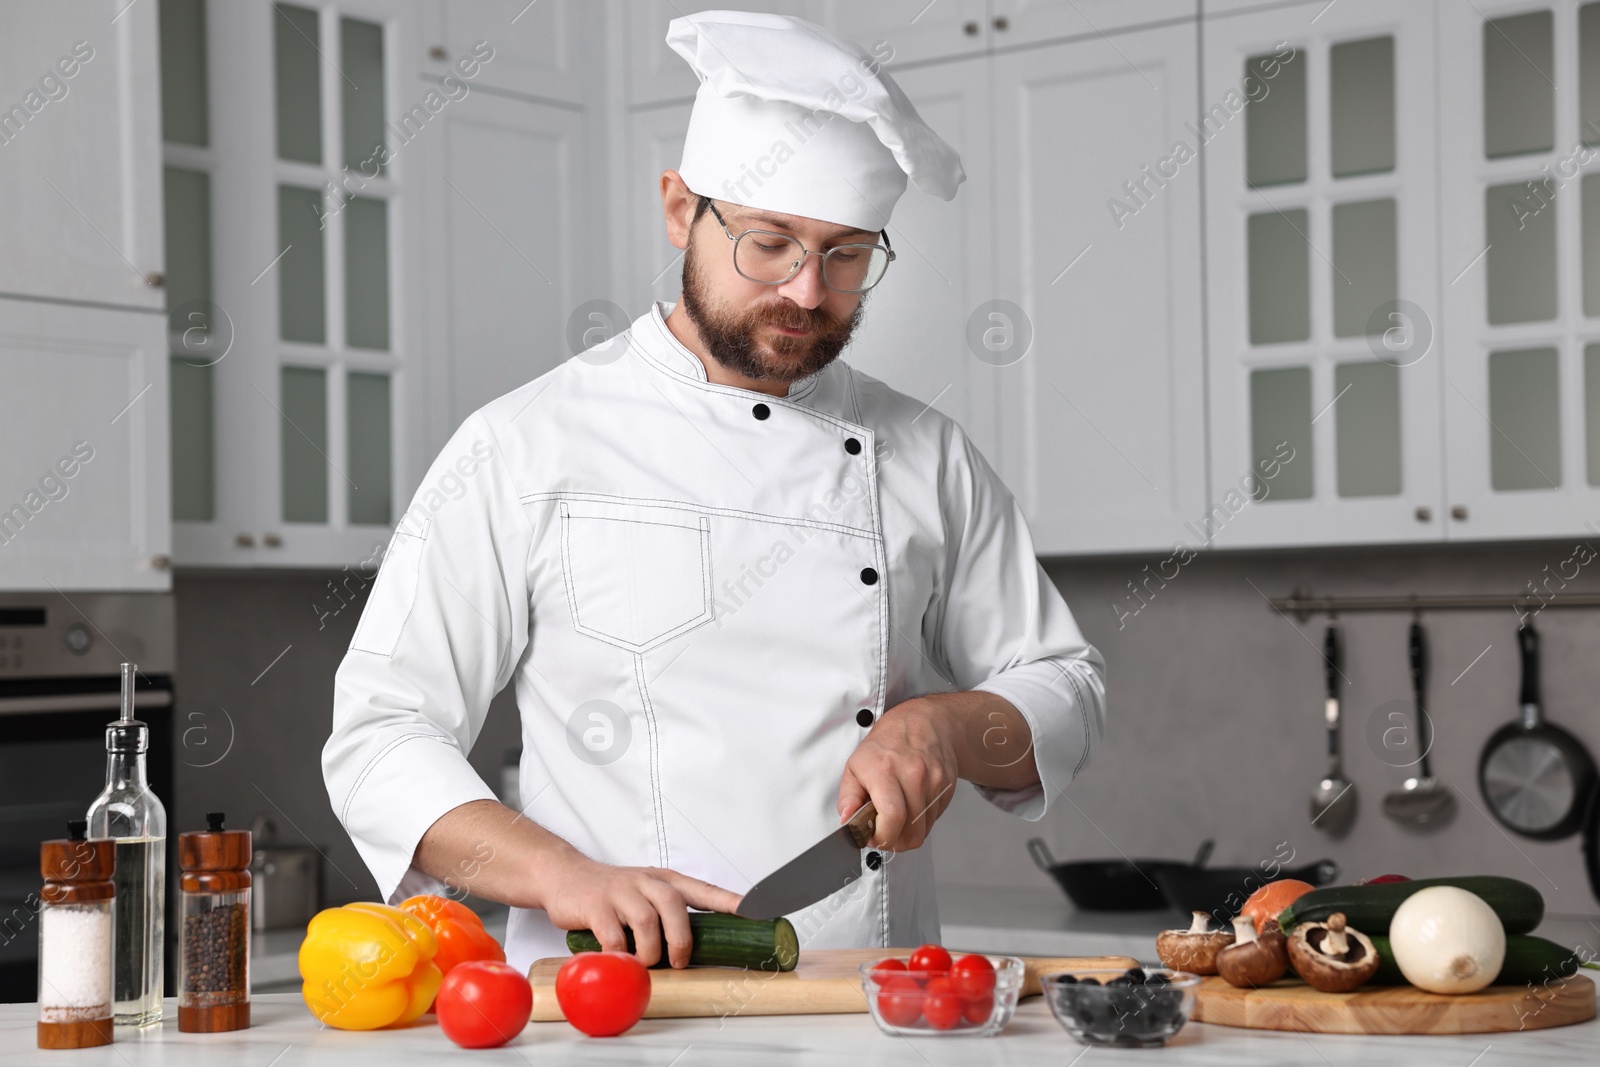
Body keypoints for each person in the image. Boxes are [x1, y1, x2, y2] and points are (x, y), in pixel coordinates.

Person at [324, 9, 1106, 974]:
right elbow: (380, 735)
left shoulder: (926, 453)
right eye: (769, 244)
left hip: (870, 1001)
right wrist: (559, 871)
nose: (808, 293)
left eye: (848, 254)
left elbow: (1066, 685)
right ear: (679, 209)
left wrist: (944, 725)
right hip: (611, 1001)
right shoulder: (526, 444)